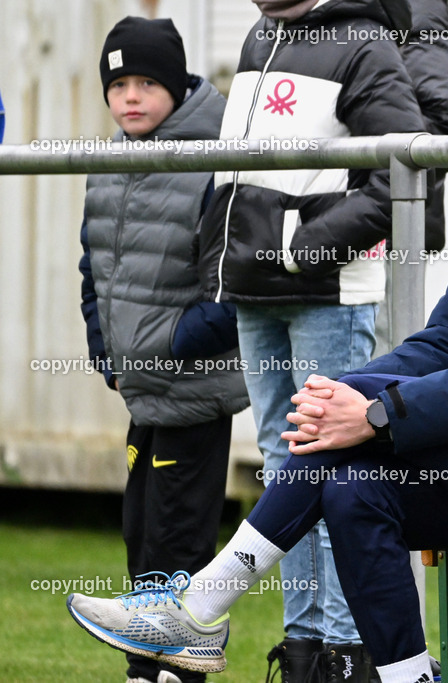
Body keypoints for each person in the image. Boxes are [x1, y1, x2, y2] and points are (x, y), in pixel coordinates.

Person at [67, 18, 448, 683]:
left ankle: (199, 608)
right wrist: (348, 390)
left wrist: (373, 414)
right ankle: (404, 676)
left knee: (356, 442)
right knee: (355, 489)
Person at [194, 1, 426, 678]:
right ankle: (303, 651)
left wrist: (301, 247)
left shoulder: (363, 40)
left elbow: (406, 170)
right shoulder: (261, 32)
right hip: (252, 287)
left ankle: (347, 653)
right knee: (282, 465)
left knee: (328, 466)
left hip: (325, 291)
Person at [77, 16, 249, 683]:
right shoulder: (109, 163)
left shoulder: (215, 157)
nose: (131, 96)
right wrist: (108, 353)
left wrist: (169, 346)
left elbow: (234, 284)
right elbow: (92, 270)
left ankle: (179, 669)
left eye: (147, 81)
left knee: (178, 540)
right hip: (142, 389)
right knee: (140, 532)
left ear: (176, 85)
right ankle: (145, 666)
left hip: (190, 392)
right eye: (118, 83)